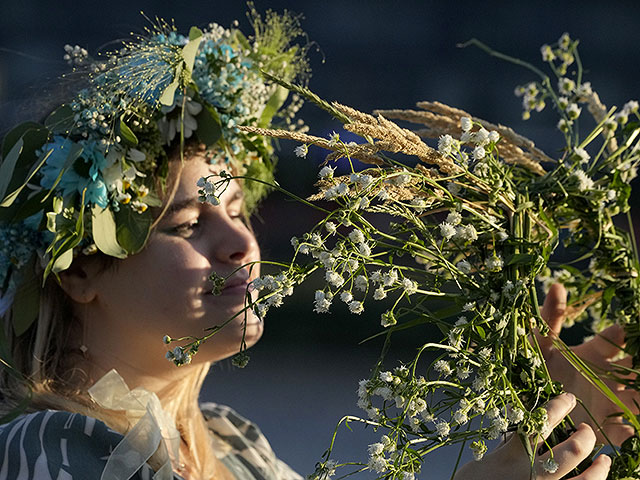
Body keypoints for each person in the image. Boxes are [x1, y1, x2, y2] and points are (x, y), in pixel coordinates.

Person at [0, 11, 631, 480]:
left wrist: (542, 409)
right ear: (81, 270)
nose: (241, 243)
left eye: (239, 210)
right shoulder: (54, 448)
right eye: (190, 223)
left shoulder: (233, 448)